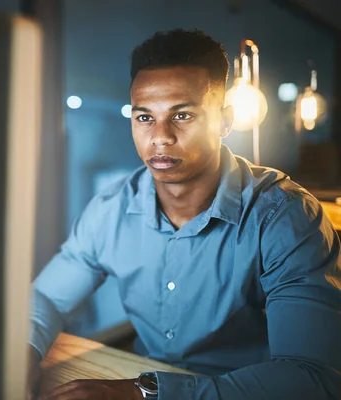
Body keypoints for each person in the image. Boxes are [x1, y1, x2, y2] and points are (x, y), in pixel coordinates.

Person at [27, 29, 341, 400]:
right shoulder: (110, 208)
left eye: (183, 115)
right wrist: (23, 356)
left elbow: (315, 377)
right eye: (144, 118)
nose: (160, 136)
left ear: (224, 121)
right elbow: (46, 299)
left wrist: (146, 394)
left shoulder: (284, 217)